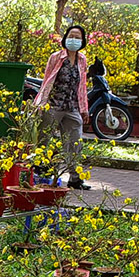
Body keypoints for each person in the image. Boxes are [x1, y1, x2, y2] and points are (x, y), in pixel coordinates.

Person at [35, 24, 89, 188]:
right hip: (53, 105)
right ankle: (40, 171)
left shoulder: (82, 60)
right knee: (44, 139)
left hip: (72, 107)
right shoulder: (56, 57)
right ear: (65, 38)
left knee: (74, 142)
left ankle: (75, 178)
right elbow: (47, 81)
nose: (74, 40)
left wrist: (84, 108)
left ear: (83, 41)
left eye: (78, 37)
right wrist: (40, 103)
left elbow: (82, 86)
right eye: (71, 36)